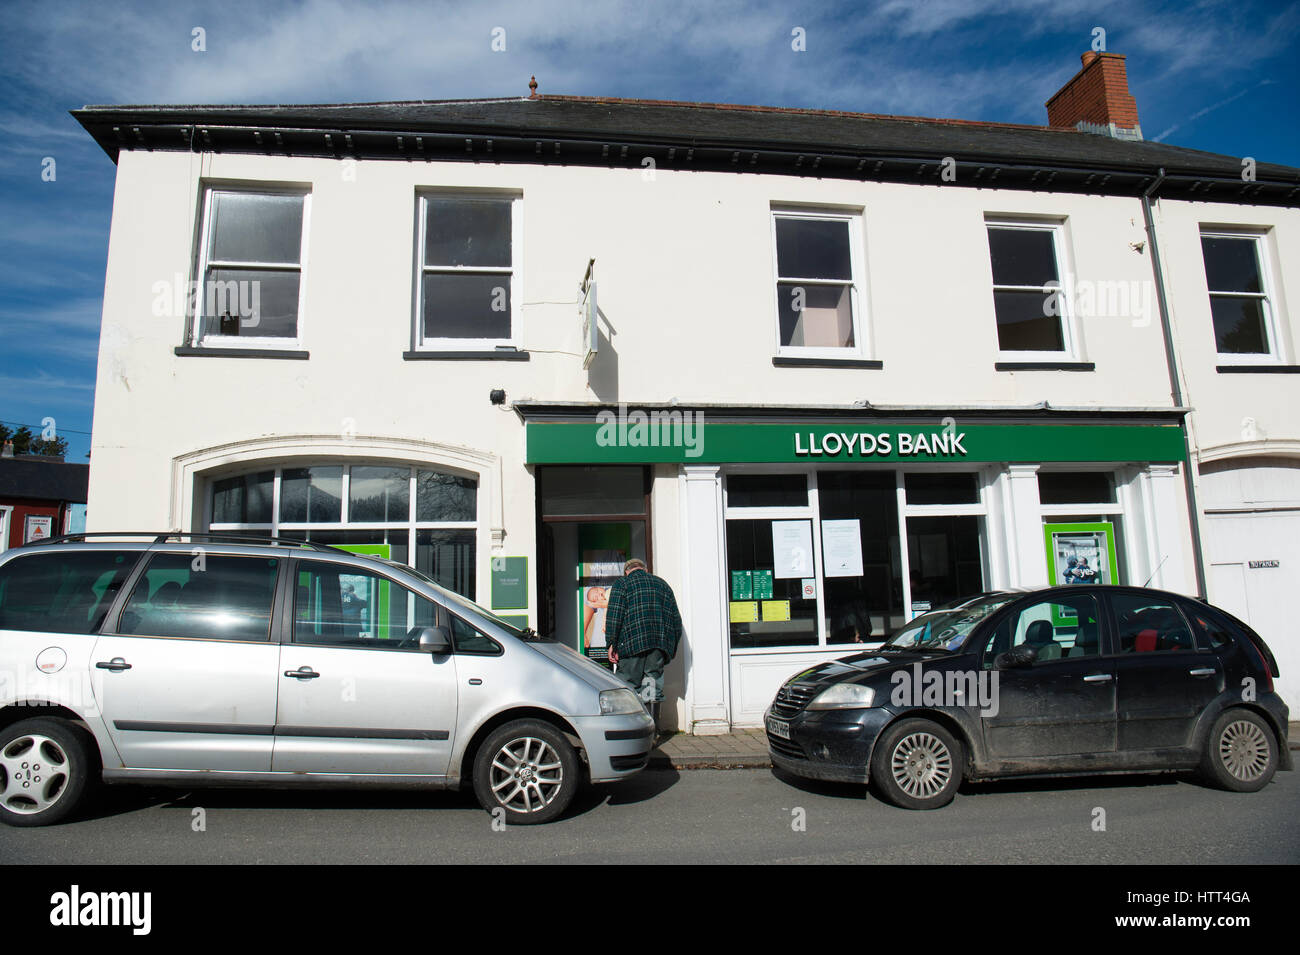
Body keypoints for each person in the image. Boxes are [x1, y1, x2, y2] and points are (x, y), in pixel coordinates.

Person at [604, 558, 682, 730]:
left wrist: (611, 643)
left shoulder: (622, 584)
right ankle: (651, 731)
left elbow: (614, 616)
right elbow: (676, 620)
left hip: (632, 645)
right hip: (657, 645)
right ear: (645, 569)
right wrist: (671, 648)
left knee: (628, 684)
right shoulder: (662, 584)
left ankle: (630, 729)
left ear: (626, 571)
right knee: (652, 685)